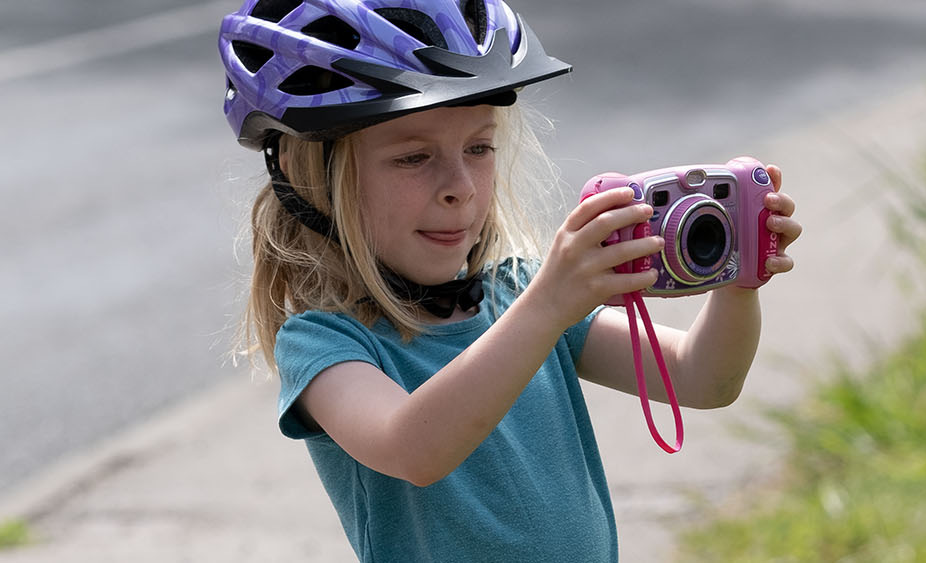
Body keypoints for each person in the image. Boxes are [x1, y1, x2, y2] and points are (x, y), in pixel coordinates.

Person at [217, 1, 802, 561]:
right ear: (308, 175)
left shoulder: (516, 294)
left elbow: (701, 379)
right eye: (413, 157)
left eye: (479, 148)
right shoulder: (325, 343)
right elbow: (414, 448)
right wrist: (548, 305)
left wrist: (737, 284)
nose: (461, 187)